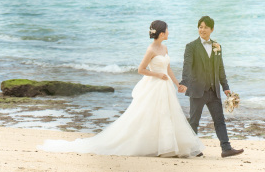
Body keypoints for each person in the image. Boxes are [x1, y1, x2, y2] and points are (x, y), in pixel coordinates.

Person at [38, 20, 203, 158]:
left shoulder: (164, 48)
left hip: (165, 86)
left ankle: (167, 146)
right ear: (161, 34)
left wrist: (177, 84)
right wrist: (157, 75)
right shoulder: (151, 49)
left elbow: (168, 69)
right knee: (151, 114)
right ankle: (160, 147)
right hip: (155, 85)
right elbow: (141, 69)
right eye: (167, 30)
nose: (168, 32)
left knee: (167, 114)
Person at [180, 16, 244, 158]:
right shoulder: (191, 46)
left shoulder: (217, 46)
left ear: (212, 29)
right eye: (200, 27)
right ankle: (192, 149)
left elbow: (220, 68)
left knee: (219, 120)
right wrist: (184, 82)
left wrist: (225, 87)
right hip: (197, 90)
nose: (202, 30)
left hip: (213, 90)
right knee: (194, 121)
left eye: (205, 27)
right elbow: (187, 67)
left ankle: (226, 148)